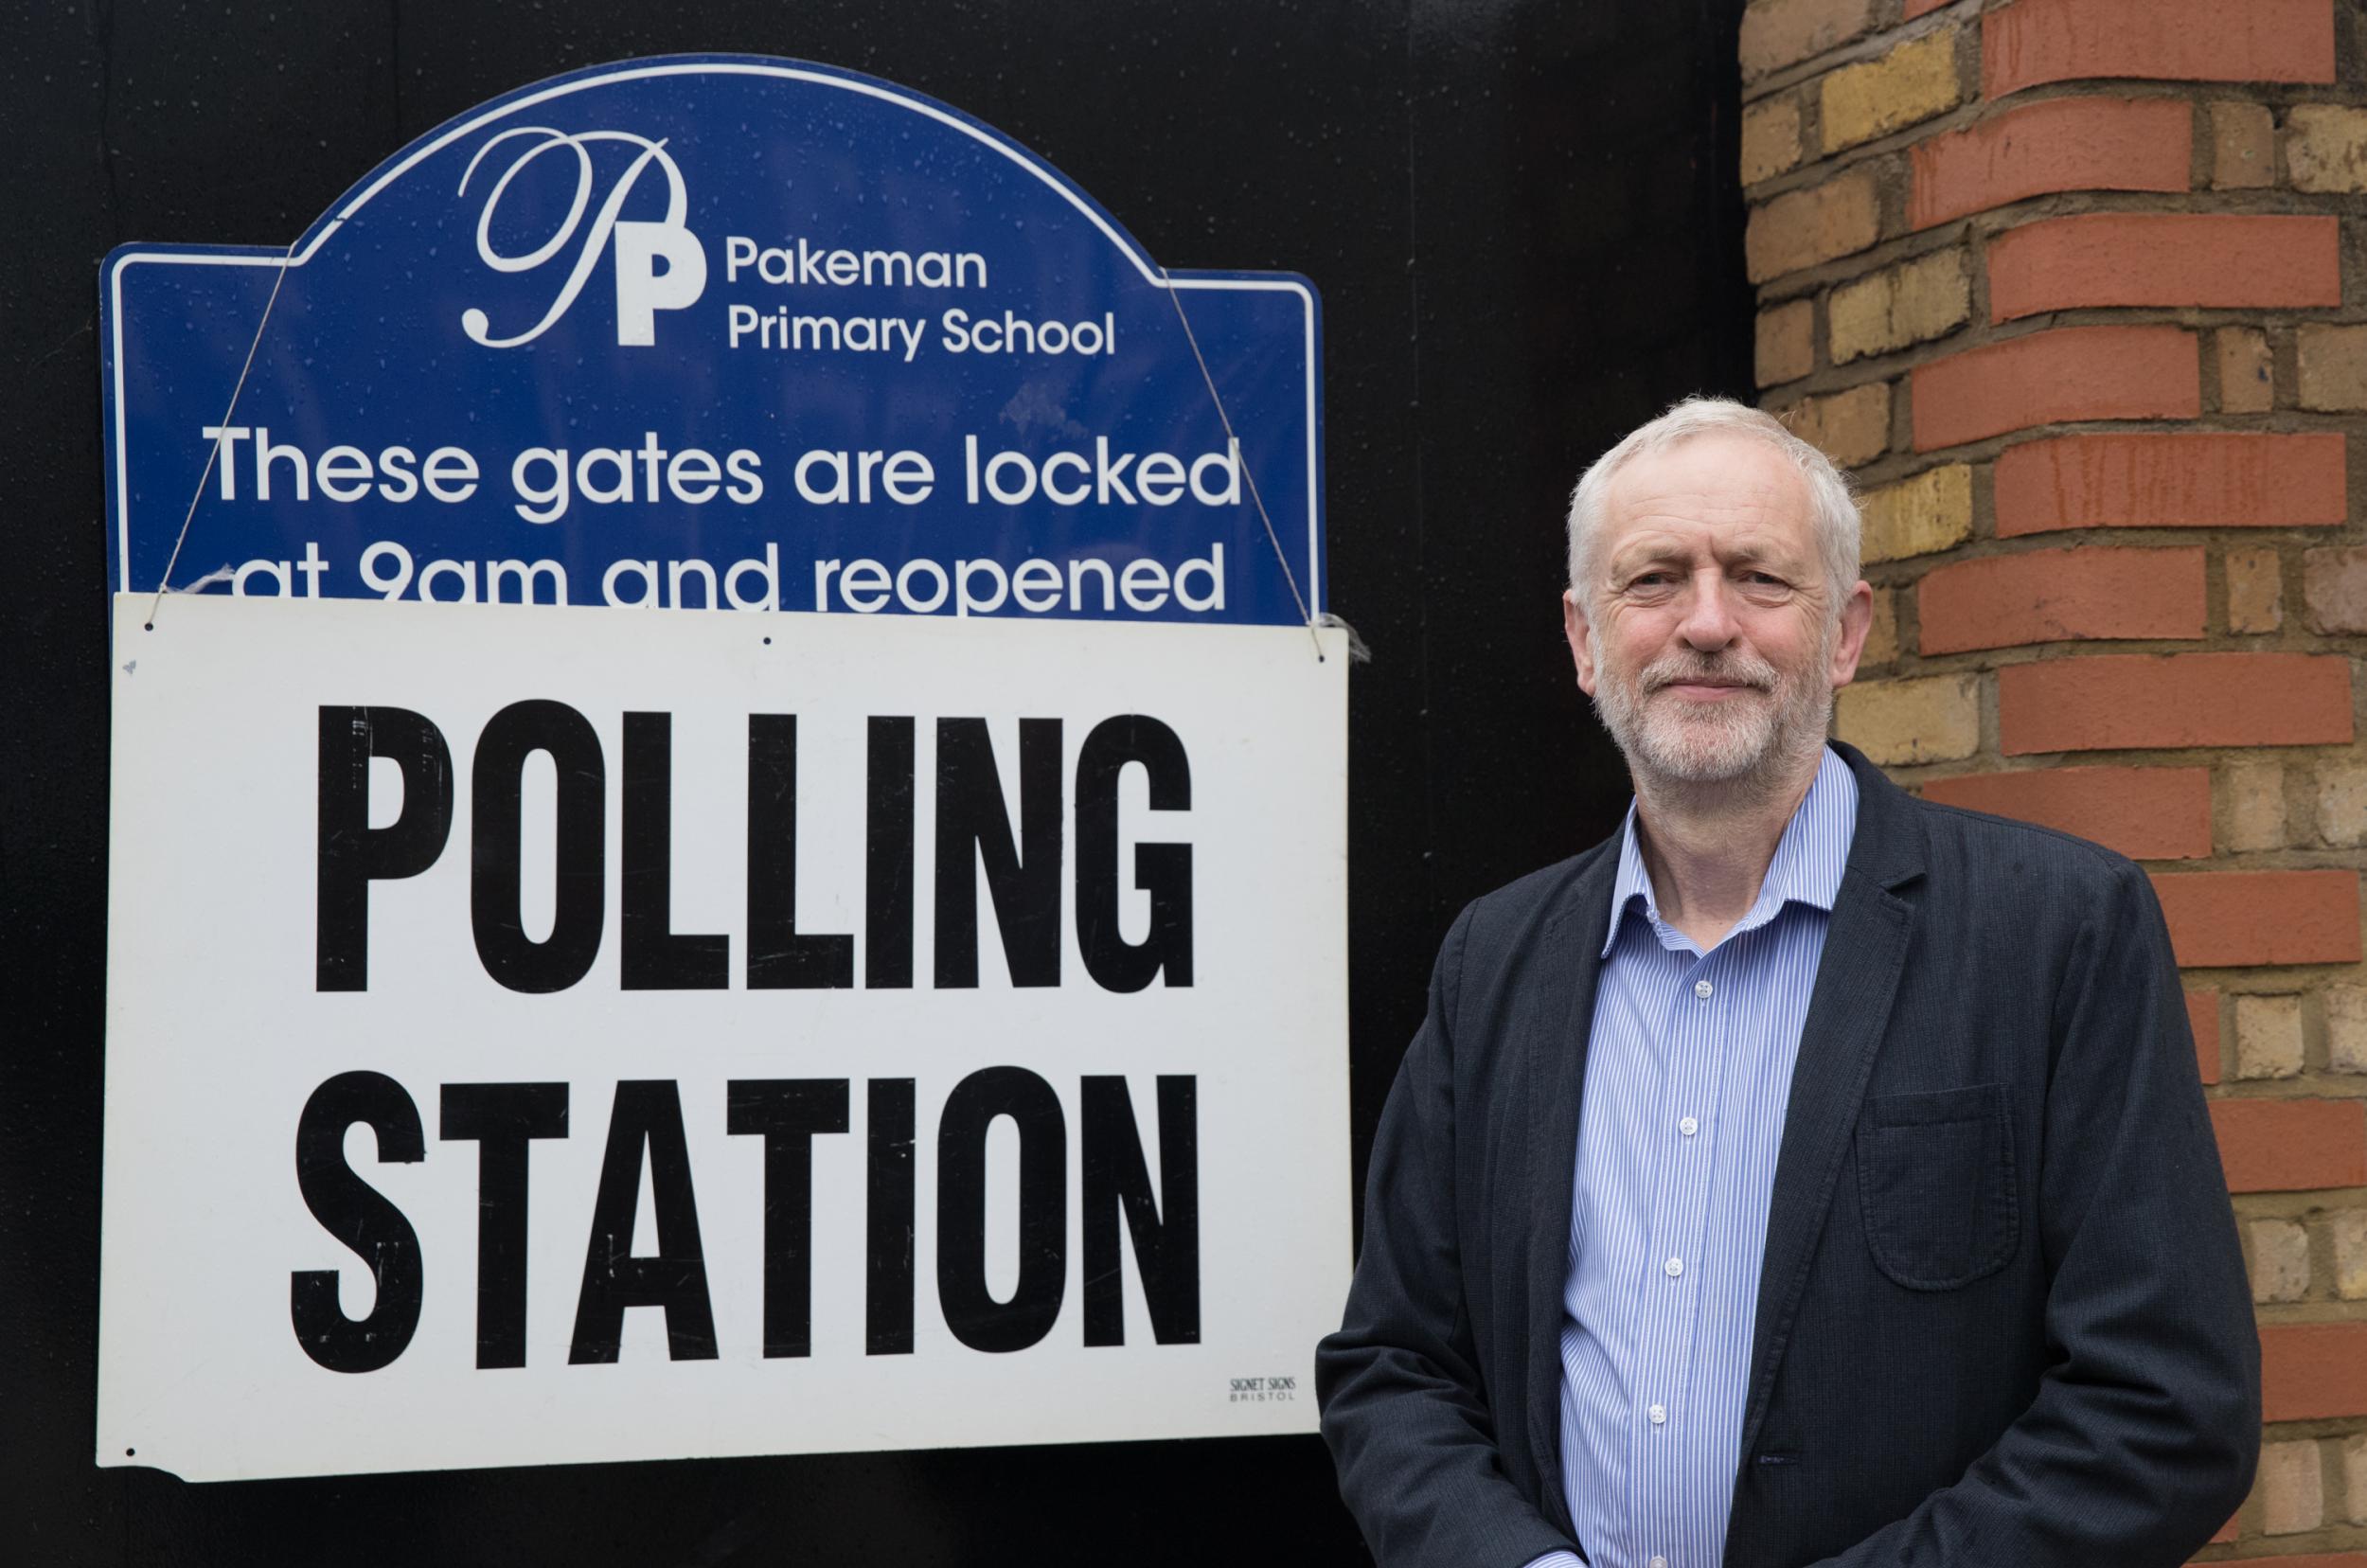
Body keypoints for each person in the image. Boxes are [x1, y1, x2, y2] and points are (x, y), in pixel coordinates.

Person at [1315, 397, 2259, 1568]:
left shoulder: (2057, 934)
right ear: (1583, 638)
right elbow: (1394, 1368)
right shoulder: (1495, 961)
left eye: (1759, 579)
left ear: (1846, 632)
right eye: (1653, 579)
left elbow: (2165, 1410)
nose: (1705, 625)